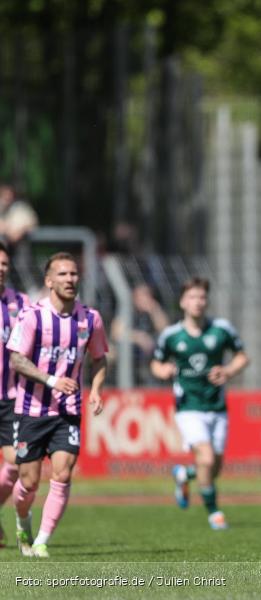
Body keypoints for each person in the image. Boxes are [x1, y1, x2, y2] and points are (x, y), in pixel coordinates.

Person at [7, 252, 108, 558]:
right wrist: (51, 381)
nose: (69, 280)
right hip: (30, 410)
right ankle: (23, 521)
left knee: (62, 474)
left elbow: (100, 357)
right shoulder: (32, 316)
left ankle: (41, 541)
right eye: (62, 275)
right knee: (28, 481)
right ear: (49, 281)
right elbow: (16, 359)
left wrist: (97, 390)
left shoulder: (90, 318)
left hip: (68, 412)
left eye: (74, 274)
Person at [150, 277, 250, 530]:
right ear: (183, 302)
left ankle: (185, 474)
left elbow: (242, 356)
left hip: (217, 406)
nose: (198, 302)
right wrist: (162, 371)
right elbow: (156, 362)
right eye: (193, 297)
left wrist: (227, 371)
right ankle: (214, 513)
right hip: (188, 406)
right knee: (205, 458)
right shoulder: (172, 335)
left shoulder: (221, 329)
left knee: (214, 467)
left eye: (202, 297)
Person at [0, 242, 29, 548]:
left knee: (16, 464)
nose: (0, 269)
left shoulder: (21, 303)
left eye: (5, 264)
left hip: (10, 398)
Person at [0, 183, 39, 252]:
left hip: (20, 251)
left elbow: (32, 222)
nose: (7, 197)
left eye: (9, 194)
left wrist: (20, 231)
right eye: (4, 195)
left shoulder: (21, 208)